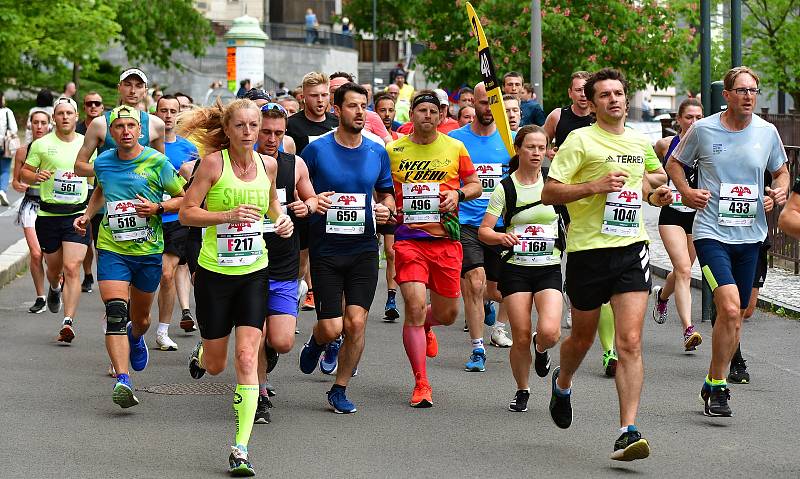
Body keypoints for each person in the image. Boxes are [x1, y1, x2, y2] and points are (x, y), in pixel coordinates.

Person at [542, 68, 672, 461]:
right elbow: (550, 192)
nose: (614, 99)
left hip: (631, 247)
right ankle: (563, 383)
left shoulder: (638, 140)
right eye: (605, 95)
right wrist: (594, 186)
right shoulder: (579, 140)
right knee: (580, 338)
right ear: (593, 103)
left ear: (626, 99)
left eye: (619, 93)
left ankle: (627, 431)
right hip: (586, 250)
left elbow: (650, 180)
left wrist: (657, 195)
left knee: (630, 342)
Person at [667, 66, 788, 418]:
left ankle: (711, 379)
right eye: (742, 90)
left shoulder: (767, 132)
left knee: (740, 314)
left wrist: (778, 192)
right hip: (710, 233)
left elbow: (780, 170)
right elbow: (675, 163)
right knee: (730, 307)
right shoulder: (703, 130)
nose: (748, 96)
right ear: (727, 95)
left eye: (753, 90)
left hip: (751, 235)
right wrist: (687, 192)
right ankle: (719, 386)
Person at [180, 99, 292, 475]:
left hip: (254, 271)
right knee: (215, 365)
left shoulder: (269, 165)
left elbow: (274, 204)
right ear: (227, 130)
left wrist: (282, 221)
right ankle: (200, 355)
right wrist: (225, 215)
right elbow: (186, 213)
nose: (248, 133)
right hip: (214, 273)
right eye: (241, 126)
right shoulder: (213, 164)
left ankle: (240, 447)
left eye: (253, 126)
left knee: (247, 357)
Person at [73, 104, 186, 410]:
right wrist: (86, 215)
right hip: (112, 247)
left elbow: (185, 197)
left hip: (147, 250)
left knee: (141, 319)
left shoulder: (156, 161)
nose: (125, 132)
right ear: (111, 133)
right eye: (119, 127)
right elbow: (102, 190)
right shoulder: (104, 161)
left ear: (140, 131)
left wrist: (157, 208)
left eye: (131, 127)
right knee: (115, 313)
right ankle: (123, 379)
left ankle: (137, 338)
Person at [297, 82, 394, 413]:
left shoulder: (377, 151)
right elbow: (296, 187)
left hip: (364, 248)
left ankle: (340, 388)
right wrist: (312, 200)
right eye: (352, 106)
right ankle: (318, 340)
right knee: (332, 326)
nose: (360, 112)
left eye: (363, 106)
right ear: (337, 110)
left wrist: (386, 209)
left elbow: (386, 194)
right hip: (325, 248)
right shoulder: (316, 150)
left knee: (355, 322)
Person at [387, 90, 481, 406]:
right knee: (413, 305)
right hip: (409, 239)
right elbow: (383, 189)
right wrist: (385, 206)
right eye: (421, 110)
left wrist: (459, 196)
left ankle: (428, 323)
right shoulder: (394, 150)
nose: (427, 115)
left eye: (433, 111)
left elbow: (475, 184)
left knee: (449, 313)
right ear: (412, 115)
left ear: (441, 117)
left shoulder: (455, 147)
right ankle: (421, 383)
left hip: (446, 240)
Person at [478, 125, 565, 413]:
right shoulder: (505, 187)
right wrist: (502, 237)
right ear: (519, 149)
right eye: (531, 147)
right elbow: (484, 231)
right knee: (521, 333)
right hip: (516, 268)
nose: (537, 153)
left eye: (542, 148)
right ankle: (522, 388)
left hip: (549, 266)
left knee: (550, 332)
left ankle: (542, 350)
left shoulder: (555, 183)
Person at [253, 101, 318, 423]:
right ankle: (260, 393)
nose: (271, 138)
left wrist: (308, 204)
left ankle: (267, 354)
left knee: (281, 340)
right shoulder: (239, 165)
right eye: (265, 131)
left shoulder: (295, 164)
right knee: (255, 332)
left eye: (278, 132)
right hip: (245, 258)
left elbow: (311, 198)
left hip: (283, 258)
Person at [449, 82, 514, 371]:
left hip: (501, 225)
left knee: (500, 291)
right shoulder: (455, 141)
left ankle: (493, 315)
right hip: (467, 222)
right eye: (483, 102)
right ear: (472, 103)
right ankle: (477, 349)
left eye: (493, 102)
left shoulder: (511, 141)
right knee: (474, 283)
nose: (488, 109)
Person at [20, 97, 90, 342]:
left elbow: (97, 171)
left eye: (69, 113)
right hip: (48, 215)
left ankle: (68, 321)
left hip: (77, 214)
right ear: (54, 118)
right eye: (60, 113)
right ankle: (53, 287)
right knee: (54, 269)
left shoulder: (86, 143)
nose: (65, 117)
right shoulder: (41, 145)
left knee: (72, 268)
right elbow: (23, 173)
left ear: (76, 116)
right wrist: (36, 175)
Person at [651, 98, 704, 351]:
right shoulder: (664, 145)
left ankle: (662, 297)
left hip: (696, 215)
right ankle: (688, 330)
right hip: (671, 214)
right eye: (689, 117)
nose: (694, 122)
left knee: (682, 271)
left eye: (698, 117)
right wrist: (659, 188)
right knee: (683, 268)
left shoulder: (708, 144)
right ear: (679, 120)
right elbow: (648, 172)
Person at [286, 72, 339, 311]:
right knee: (301, 257)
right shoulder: (292, 126)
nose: (320, 100)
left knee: (328, 256)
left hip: (334, 199)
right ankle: (295, 293)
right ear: (302, 97)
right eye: (314, 96)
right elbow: (288, 163)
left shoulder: (336, 124)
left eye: (324, 95)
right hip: (303, 198)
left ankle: (323, 299)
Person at [153, 95, 200, 351]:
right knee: (145, 278)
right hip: (147, 217)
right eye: (164, 110)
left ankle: (162, 330)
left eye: (173, 111)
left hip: (176, 218)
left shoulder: (189, 148)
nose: (168, 115)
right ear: (155, 113)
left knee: (167, 274)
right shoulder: (146, 146)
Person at [12, 108, 50, 313]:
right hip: (31, 205)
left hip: (53, 208)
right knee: (36, 254)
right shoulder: (22, 151)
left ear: (49, 125)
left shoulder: (56, 149)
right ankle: (40, 296)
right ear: (30, 125)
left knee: (52, 256)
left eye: (43, 123)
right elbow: (16, 182)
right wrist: (23, 185)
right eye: (36, 123)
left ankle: (55, 283)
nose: (39, 127)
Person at [76, 91, 105, 293]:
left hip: (100, 189)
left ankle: (103, 273)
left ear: (102, 107)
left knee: (98, 238)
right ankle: (87, 273)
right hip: (78, 189)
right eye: (89, 103)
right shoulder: (77, 129)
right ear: (84, 107)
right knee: (86, 236)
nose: (93, 107)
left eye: (97, 103)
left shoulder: (109, 128)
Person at [1, 92, 19, 206]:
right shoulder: (7, 111)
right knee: (5, 169)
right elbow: (14, 129)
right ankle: (2, 190)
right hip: (4, 145)